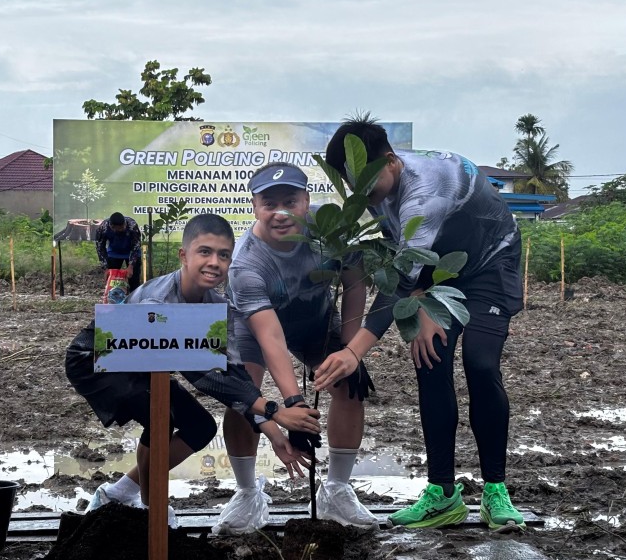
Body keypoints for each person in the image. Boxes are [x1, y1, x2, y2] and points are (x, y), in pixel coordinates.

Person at [316, 116, 526, 532]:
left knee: (481, 365)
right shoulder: (378, 186)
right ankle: (442, 495)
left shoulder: (425, 192)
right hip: (434, 272)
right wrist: (421, 299)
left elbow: (396, 283)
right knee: (430, 361)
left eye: (369, 188)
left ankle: (495, 491)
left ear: (390, 162)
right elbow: (401, 269)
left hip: (490, 265)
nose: (367, 199)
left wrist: (354, 351)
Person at [65, 213, 321, 524]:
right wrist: (275, 411)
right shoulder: (158, 303)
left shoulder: (218, 307)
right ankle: (153, 511)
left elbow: (234, 378)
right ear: (184, 256)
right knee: (162, 418)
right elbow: (203, 376)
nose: (215, 262)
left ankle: (118, 493)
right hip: (96, 362)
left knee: (200, 427)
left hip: (143, 367)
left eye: (224, 255)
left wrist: (274, 434)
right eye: (205, 252)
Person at [214, 163, 380, 534]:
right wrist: (294, 404)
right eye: (269, 203)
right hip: (252, 328)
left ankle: (337, 488)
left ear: (307, 201)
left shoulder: (333, 227)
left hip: (315, 319)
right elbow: (270, 336)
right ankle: (246, 492)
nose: (281, 212)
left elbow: (354, 284)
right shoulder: (245, 263)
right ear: (254, 206)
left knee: (350, 386)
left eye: (291, 200)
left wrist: (351, 350)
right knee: (243, 397)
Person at [95, 212, 143, 291]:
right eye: (118, 228)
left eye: (123, 227)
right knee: (112, 279)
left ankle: (133, 298)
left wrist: (131, 266)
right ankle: (114, 297)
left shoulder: (132, 225)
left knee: (134, 280)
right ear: (112, 227)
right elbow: (100, 248)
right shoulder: (103, 227)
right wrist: (105, 268)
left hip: (131, 252)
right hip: (114, 253)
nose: (121, 229)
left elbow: (136, 245)